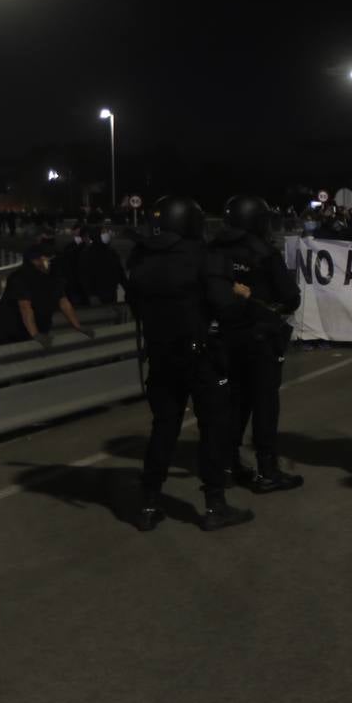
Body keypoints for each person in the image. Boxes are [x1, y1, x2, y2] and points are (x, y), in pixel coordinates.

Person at [126, 196, 253, 532]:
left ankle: (149, 503)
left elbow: (135, 302)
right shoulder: (204, 257)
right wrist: (239, 297)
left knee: (163, 427)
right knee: (213, 428)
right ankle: (215, 505)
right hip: (201, 357)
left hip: (161, 354)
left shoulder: (142, 256)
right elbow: (224, 308)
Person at [211, 195, 304, 493]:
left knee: (234, 401)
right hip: (259, 337)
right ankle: (267, 470)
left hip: (224, 336)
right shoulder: (263, 252)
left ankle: (228, 463)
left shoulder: (213, 249)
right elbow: (290, 297)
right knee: (265, 403)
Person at [0, 244, 95, 347]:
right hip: (7, 332)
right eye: (45, 258)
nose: (49, 261)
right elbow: (25, 307)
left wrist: (78, 326)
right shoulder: (20, 278)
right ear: (34, 260)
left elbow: (64, 303)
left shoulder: (53, 277)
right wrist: (35, 334)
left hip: (34, 330)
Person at [77, 225, 127, 305]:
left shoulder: (87, 253)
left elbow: (119, 271)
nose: (107, 234)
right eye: (103, 233)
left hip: (104, 291)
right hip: (103, 292)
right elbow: (84, 275)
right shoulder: (109, 252)